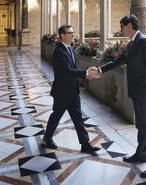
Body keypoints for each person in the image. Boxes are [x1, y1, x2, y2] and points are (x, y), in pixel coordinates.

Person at [93, 15, 146, 178]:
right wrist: (100, 70)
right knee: (140, 125)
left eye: (122, 26)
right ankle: (141, 154)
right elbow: (119, 60)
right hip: (137, 92)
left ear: (130, 25)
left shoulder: (144, 41)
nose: (121, 30)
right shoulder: (132, 43)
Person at [42, 24, 101, 153]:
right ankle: (47, 138)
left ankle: (85, 144)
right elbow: (68, 71)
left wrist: (87, 75)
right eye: (70, 33)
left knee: (78, 118)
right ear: (62, 35)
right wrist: (86, 72)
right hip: (62, 91)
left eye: (73, 32)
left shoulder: (71, 49)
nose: (73, 34)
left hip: (73, 90)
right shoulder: (59, 52)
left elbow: (73, 70)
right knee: (56, 116)